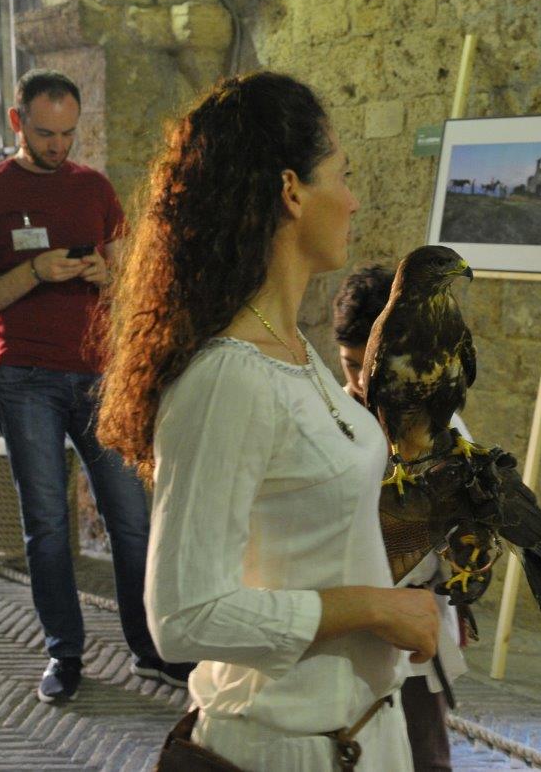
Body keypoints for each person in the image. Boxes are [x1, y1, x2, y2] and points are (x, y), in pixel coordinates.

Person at [96, 71, 439, 771]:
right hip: (285, 747)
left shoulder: (294, 350)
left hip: (356, 732)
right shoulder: (229, 376)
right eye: (342, 175)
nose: (353, 200)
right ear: (292, 191)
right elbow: (183, 616)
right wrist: (372, 607)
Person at [0, 68, 188, 704]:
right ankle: (65, 652)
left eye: (68, 134)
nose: (58, 146)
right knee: (48, 525)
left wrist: (107, 277)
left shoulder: (94, 188)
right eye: (45, 133)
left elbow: (130, 280)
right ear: (17, 120)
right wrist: (34, 272)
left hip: (99, 377)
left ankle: (151, 651)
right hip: (26, 379)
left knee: (131, 520)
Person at [333, 264, 469, 772]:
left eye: (375, 366)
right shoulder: (326, 421)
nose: (363, 382)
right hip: (340, 624)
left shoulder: (444, 428)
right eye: (350, 365)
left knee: (422, 756)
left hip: (411, 628)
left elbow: (464, 536)